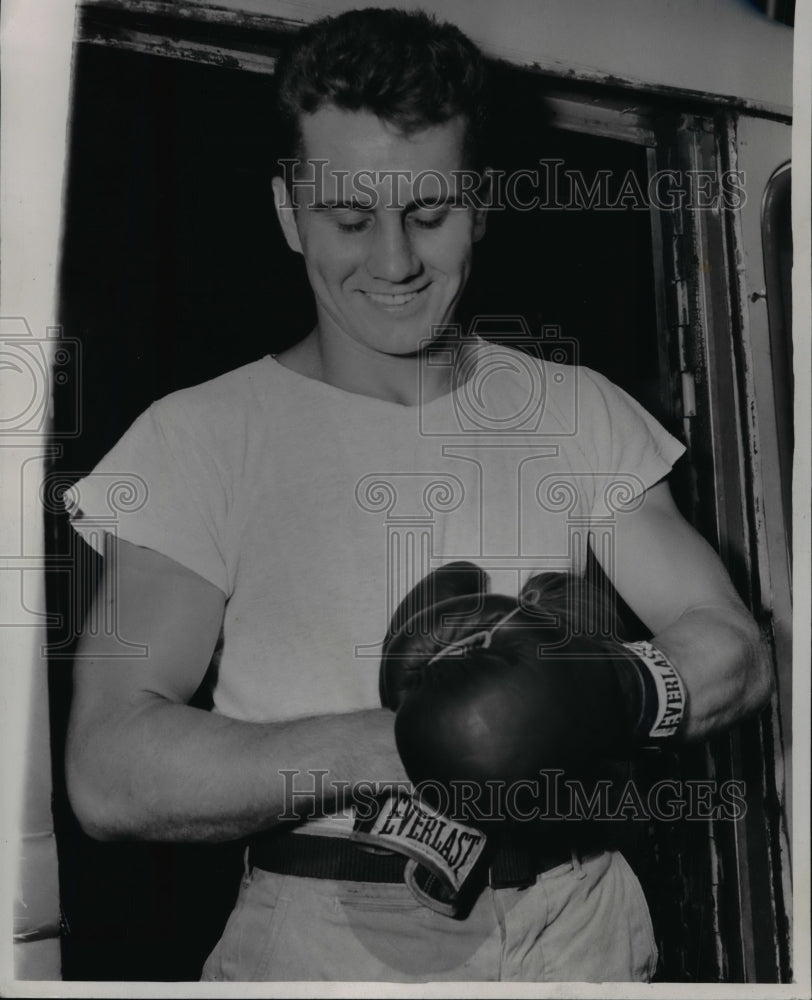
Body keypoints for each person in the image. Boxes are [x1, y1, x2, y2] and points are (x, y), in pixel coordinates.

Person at [64, 7, 773, 983]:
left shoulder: (571, 408)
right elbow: (109, 765)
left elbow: (729, 648)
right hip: (336, 931)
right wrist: (417, 744)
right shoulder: (199, 437)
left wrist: (595, 695)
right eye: (349, 218)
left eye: (428, 213)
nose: (392, 262)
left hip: (580, 917)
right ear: (288, 208)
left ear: (479, 203)